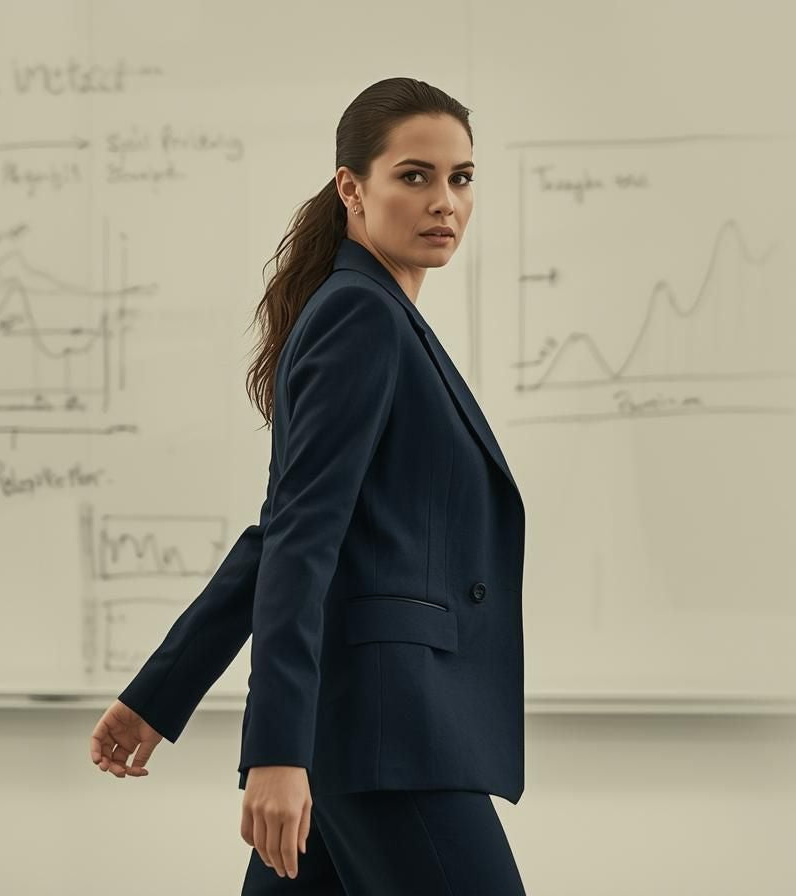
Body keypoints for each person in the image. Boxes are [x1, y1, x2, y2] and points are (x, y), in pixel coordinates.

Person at [87, 77, 529, 894]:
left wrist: (161, 691)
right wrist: (277, 752)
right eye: (415, 175)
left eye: (461, 178)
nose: (445, 202)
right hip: (386, 735)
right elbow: (298, 538)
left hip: (358, 730)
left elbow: (279, 531)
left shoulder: (377, 315)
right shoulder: (360, 314)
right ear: (351, 188)